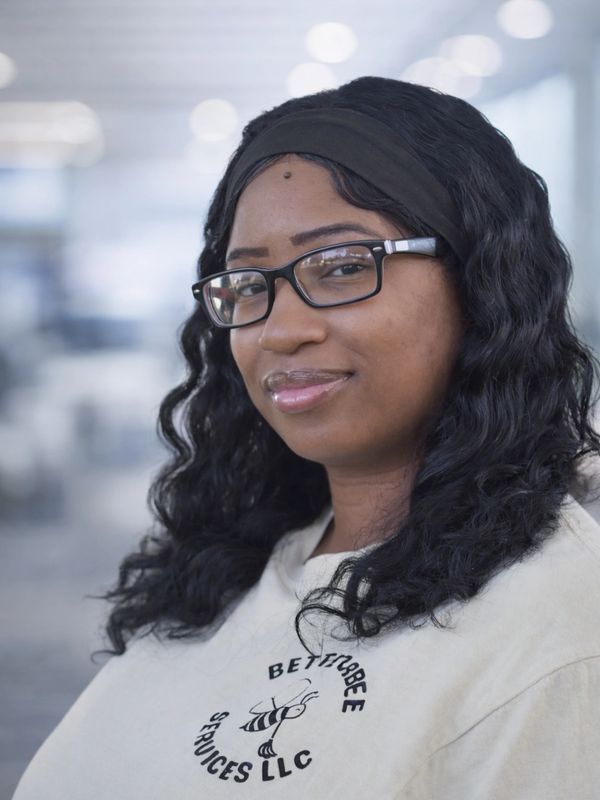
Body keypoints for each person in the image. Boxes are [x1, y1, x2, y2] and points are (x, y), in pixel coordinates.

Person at [12, 76, 600, 799]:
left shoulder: (559, 637)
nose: (282, 329)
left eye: (344, 266)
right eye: (247, 282)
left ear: (482, 282)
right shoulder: (234, 567)